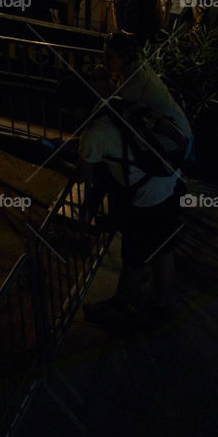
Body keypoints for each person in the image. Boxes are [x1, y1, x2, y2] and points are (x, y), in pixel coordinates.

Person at [70, 68, 187, 326]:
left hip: (148, 197)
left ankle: (122, 306)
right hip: (171, 179)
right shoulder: (114, 105)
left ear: (76, 108)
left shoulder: (93, 133)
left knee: (134, 256)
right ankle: (163, 303)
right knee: (163, 248)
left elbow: (82, 175)